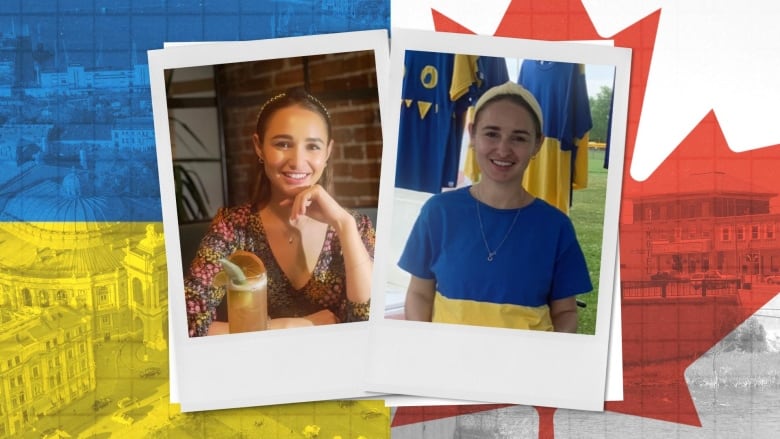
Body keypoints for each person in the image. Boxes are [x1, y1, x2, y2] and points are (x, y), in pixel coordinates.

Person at [399, 81, 592, 333]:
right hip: (448, 364)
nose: (503, 149)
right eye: (491, 133)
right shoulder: (439, 213)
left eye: (519, 138)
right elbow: (419, 294)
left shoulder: (555, 227)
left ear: (537, 144)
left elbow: (565, 311)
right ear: (473, 135)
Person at [185, 87, 374, 337]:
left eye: (313, 147)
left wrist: (343, 223)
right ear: (259, 147)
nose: (297, 161)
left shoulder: (355, 226)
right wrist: (290, 326)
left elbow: (368, 319)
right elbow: (187, 323)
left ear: (328, 152)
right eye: (283, 144)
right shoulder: (232, 227)